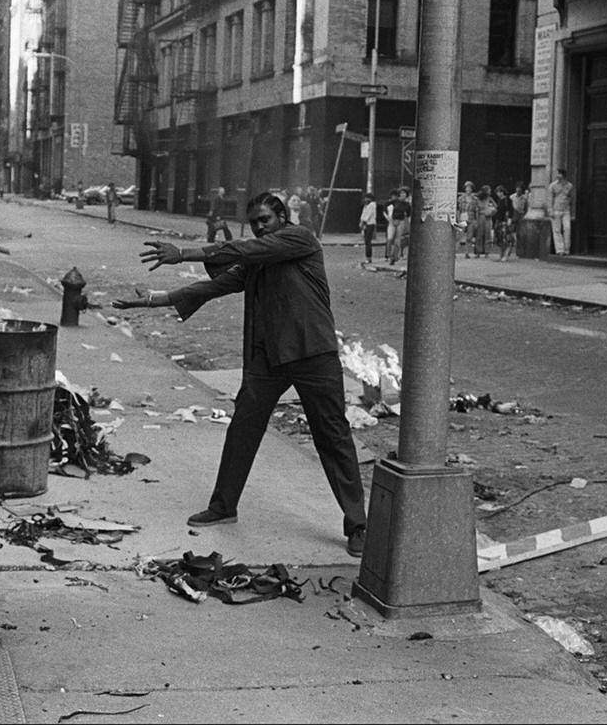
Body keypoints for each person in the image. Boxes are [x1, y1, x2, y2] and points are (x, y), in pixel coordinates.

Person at [111, 192, 368, 558]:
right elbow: (214, 287)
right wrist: (154, 299)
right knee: (243, 428)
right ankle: (223, 506)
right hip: (269, 357)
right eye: (255, 223)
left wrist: (182, 253)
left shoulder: (301, 239)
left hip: (313, 353)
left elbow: (243, 250)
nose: (260, 227)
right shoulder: (258, 259)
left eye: (265, 220)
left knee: (333, 435)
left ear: (282, 217)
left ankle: (358, 524)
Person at [547, 168, 575, 256]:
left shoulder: (569, 186)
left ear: (563, 176)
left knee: (567, 229)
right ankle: (560, 250)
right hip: (556, 210)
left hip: (566, 210)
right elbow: (550, 199)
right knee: (557, 230)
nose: (558, 176)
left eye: (559, 174)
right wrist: (550, 210)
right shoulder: (553, 186)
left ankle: (567, 249)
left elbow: (572, 199)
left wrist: (573, 213)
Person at [384, 187, 411, 265]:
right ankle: (388, 254)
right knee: (390, 238)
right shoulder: (394, 201)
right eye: (401, 193)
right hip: (392, 221)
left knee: (397, 240)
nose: (403, 195)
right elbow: (385, 206)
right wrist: (388, 217)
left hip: (401, 221)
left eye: (404, 194)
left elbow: (408, 214)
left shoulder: (407, 204)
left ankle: (394, 256)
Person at [358, 192, 379, 263]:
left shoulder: (372, 205)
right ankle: (367, 257)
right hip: (366, 224)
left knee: (368, 241)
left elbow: (368, 215)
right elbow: (363, 214)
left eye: (367, 198)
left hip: (370, 224)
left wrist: (363, 221)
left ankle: (369, 257)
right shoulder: (366, 205)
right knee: (366, 241)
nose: (366, 199)